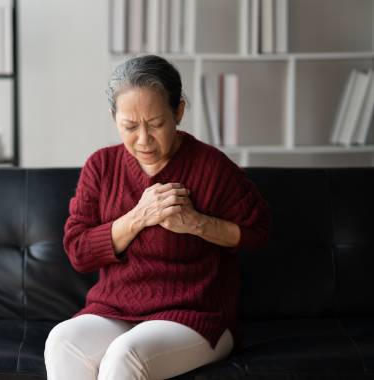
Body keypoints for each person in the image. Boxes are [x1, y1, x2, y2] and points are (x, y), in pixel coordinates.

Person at [44, 55, 271, 380]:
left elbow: (259, 231)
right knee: (62, 342)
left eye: (156, 124)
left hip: (195, 315)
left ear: (178, 112)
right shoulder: (101, 166)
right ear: (114, 119)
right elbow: (79, 252)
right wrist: (138, 217)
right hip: (115, 309)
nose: (143, 139)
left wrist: (197, 223)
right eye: (130, 126)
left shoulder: (212, 167)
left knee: (124, 356)